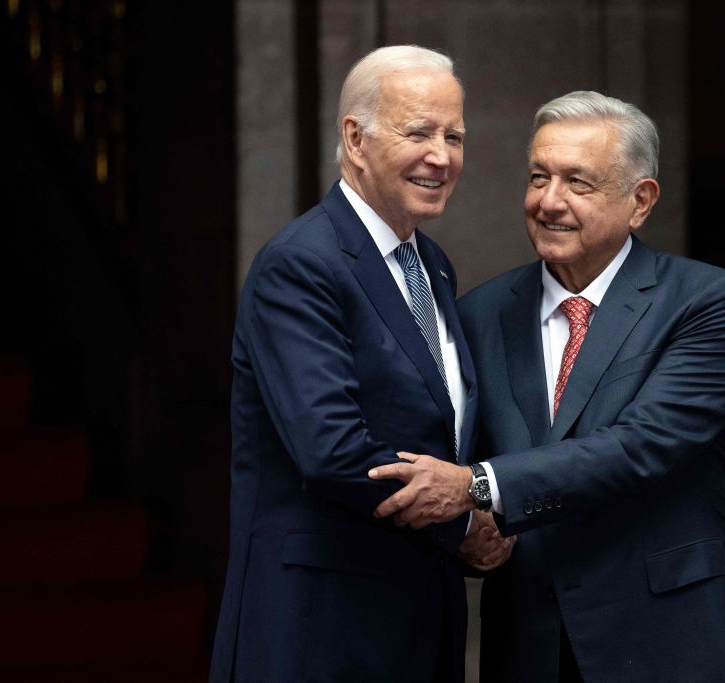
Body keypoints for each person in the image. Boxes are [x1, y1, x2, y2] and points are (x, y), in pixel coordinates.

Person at [369, 91, 725, 681]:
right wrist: (466, 534)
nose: (549, 201)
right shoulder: (477, 315)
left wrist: (477, 486)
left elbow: (642, 444)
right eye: (539, 177)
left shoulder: (709, 303)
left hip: (667, 638)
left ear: (640, 201)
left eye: (578, 183)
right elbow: (453, 461)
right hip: (528, 643)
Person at [209, 45, 510, 683]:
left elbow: (437, 428)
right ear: (355, 139)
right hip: (323, 626)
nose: (442, 156)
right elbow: (333, 449)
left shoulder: (432, 264)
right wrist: (463, 519)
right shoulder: (301, 263)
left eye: (454, 137)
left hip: (418, 622)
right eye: (419, 133)